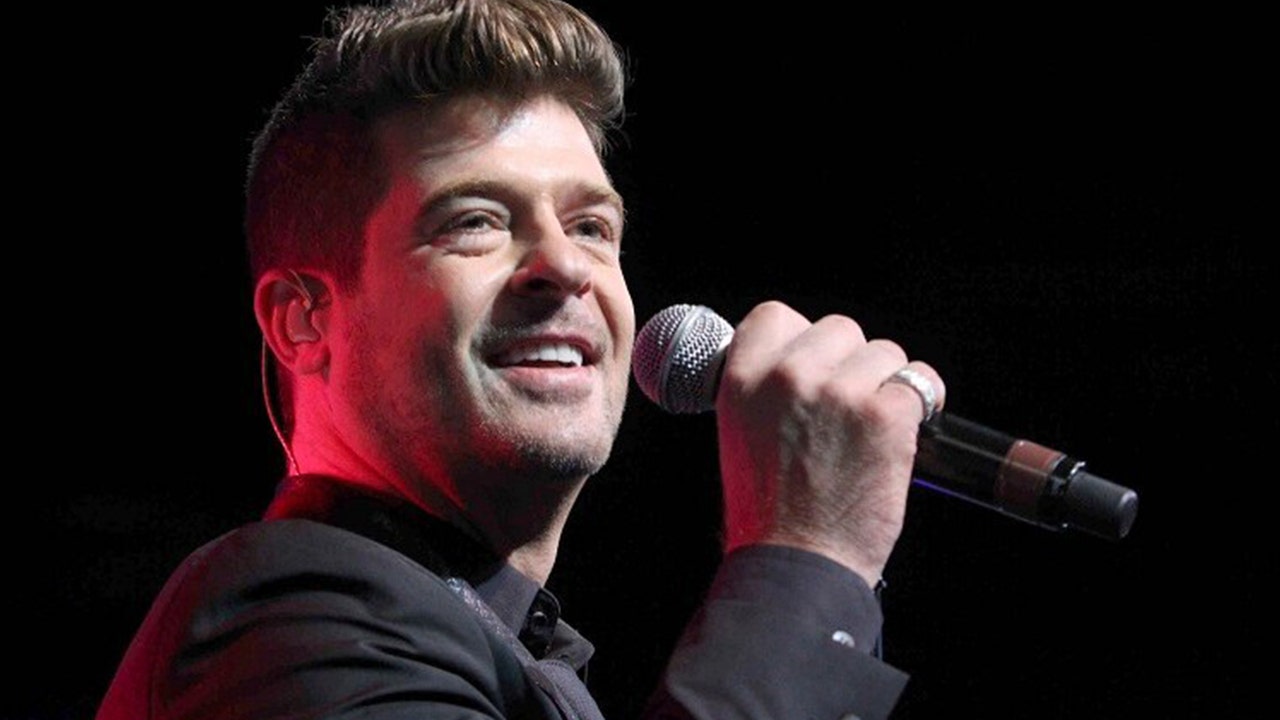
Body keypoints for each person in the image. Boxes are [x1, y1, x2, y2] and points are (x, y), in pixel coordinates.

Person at [96, 1, 945, 718]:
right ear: (302, 321)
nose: (567, 266)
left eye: (591, 226)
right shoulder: (285, 620)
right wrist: (808, 557)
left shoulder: (493, 642)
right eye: (475, 221)